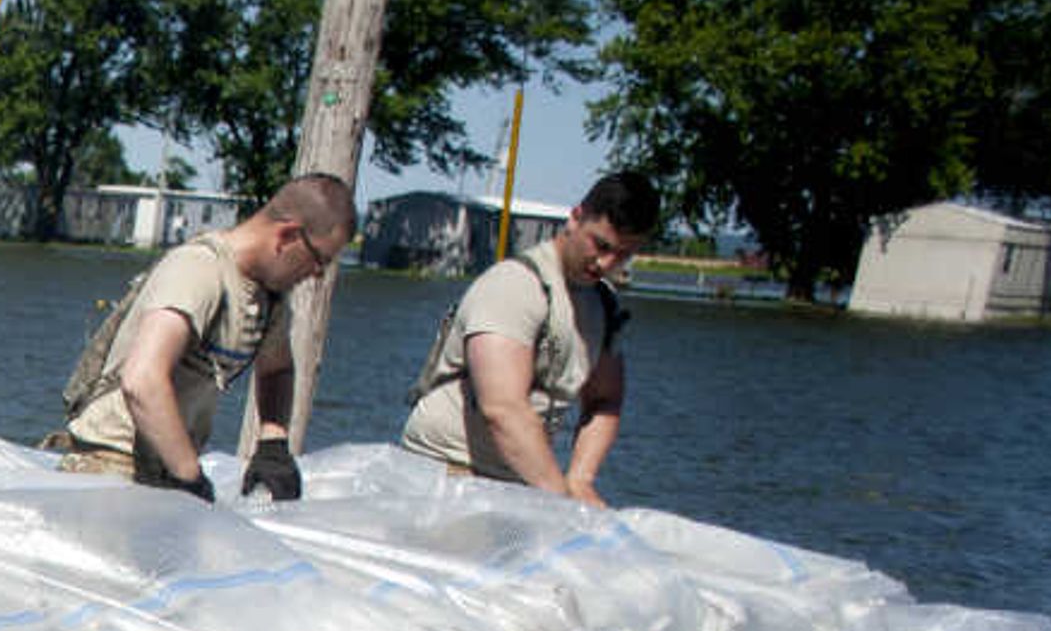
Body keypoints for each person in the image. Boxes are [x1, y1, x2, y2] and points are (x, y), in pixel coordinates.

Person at [49, 172, 356, 501]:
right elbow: (142, 380)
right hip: (110, 463)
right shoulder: (199, 269)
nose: (319, 275)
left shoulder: (269, 295)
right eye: (320, 260)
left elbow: (277, 368)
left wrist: (273, 442)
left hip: (169, 468)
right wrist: (191, 478)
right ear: (288, 235)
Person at [401, 173, 659, 504]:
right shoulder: (515, 286)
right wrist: (559, 500)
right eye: (601, 245)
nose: (607, 263)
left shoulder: (603, 305)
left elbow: (604, 401)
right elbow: (503, 408)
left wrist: (580, 480)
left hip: (518, 482)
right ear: (576, 217)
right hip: (444, 469)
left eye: (623, 254)